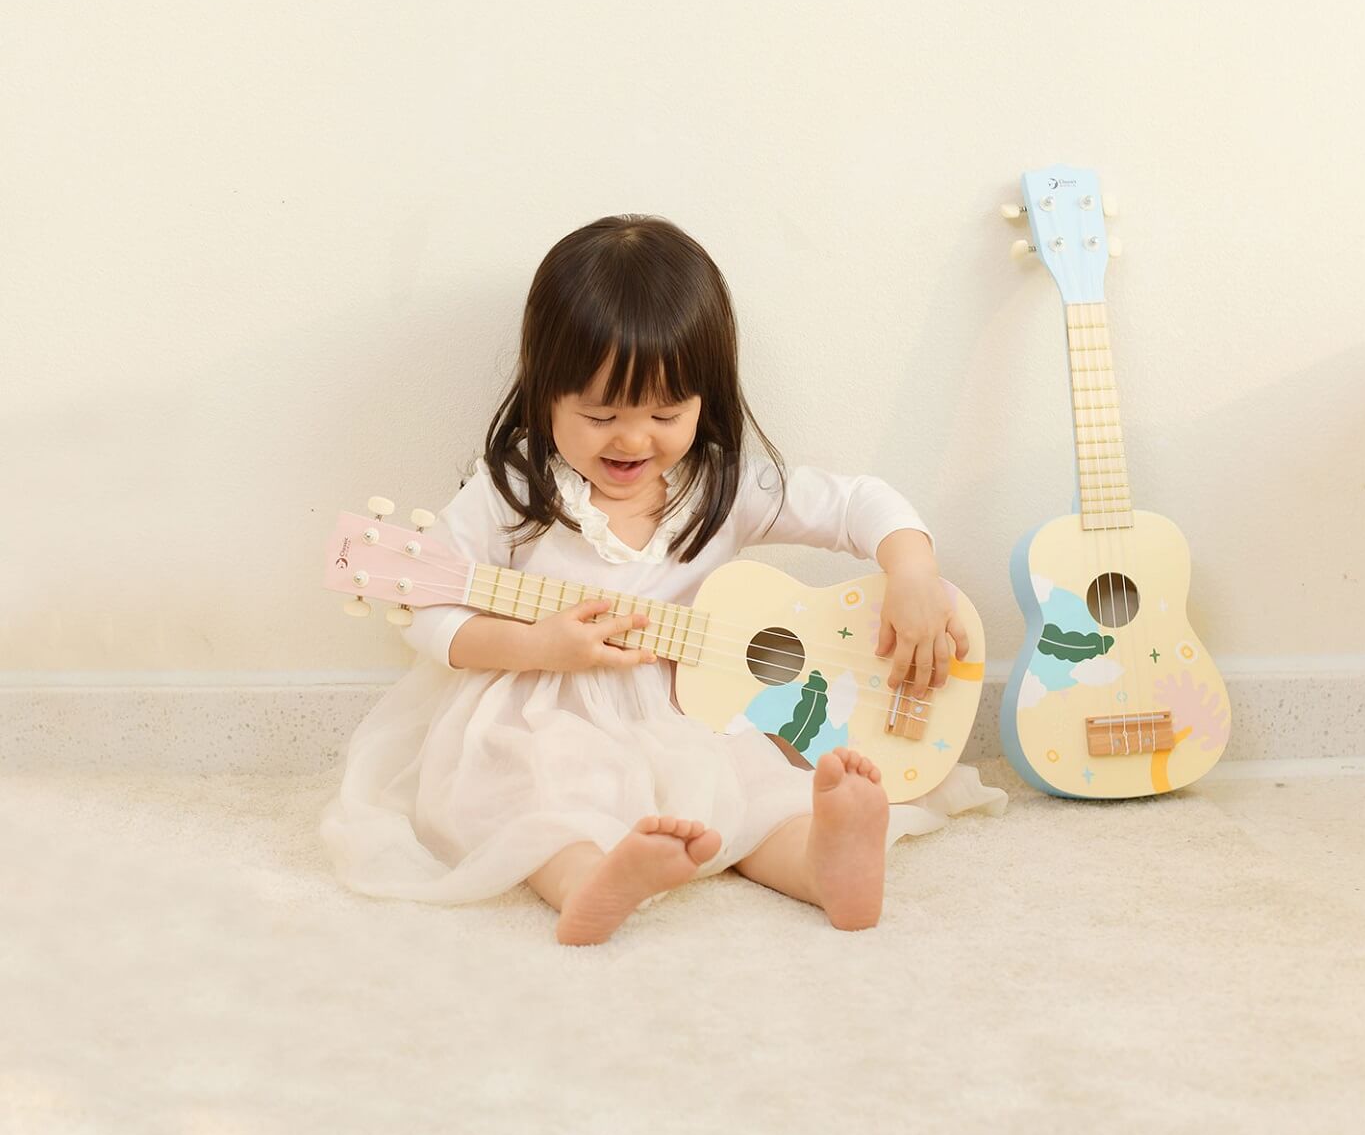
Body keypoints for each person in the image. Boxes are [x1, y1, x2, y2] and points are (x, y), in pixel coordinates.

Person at [320, 214, 1006, 944]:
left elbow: (857, 503)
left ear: (704, 399)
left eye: (665, 413)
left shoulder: (721, 487)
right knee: (536, 794)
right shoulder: (511, 491)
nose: (634, 438)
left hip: (698, 712)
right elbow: (426, 612)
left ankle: (822, 861)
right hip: (547, 711)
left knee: (757, 788)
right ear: (546, 392)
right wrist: (536, 649)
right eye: (600, 414)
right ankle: (592, 879)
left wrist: (912, 571)